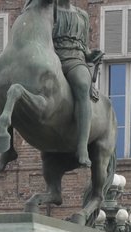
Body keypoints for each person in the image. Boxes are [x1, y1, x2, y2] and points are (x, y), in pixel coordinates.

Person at [50, 0, 103, 168]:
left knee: (81, 84)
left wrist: (90, 54)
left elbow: (85, 48)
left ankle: (82, 147)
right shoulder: (50, 10)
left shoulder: (82, 15)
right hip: (51, 58)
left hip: (74, 60)